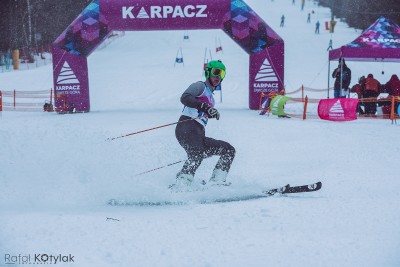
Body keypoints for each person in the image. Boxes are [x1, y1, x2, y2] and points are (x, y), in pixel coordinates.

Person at [174, 60, 236, 188]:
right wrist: (205, 107)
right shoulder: (200, 86)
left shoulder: (211, 97)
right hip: (186, 128)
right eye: (216, 72)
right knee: (196, 153)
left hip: (198, 132)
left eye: (222, 74)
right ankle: (181, 184)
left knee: (228, 150)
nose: (218, 77)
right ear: (208, 72)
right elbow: (185, 97)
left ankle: (217, 182)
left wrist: (210, 112)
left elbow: (202, 110)